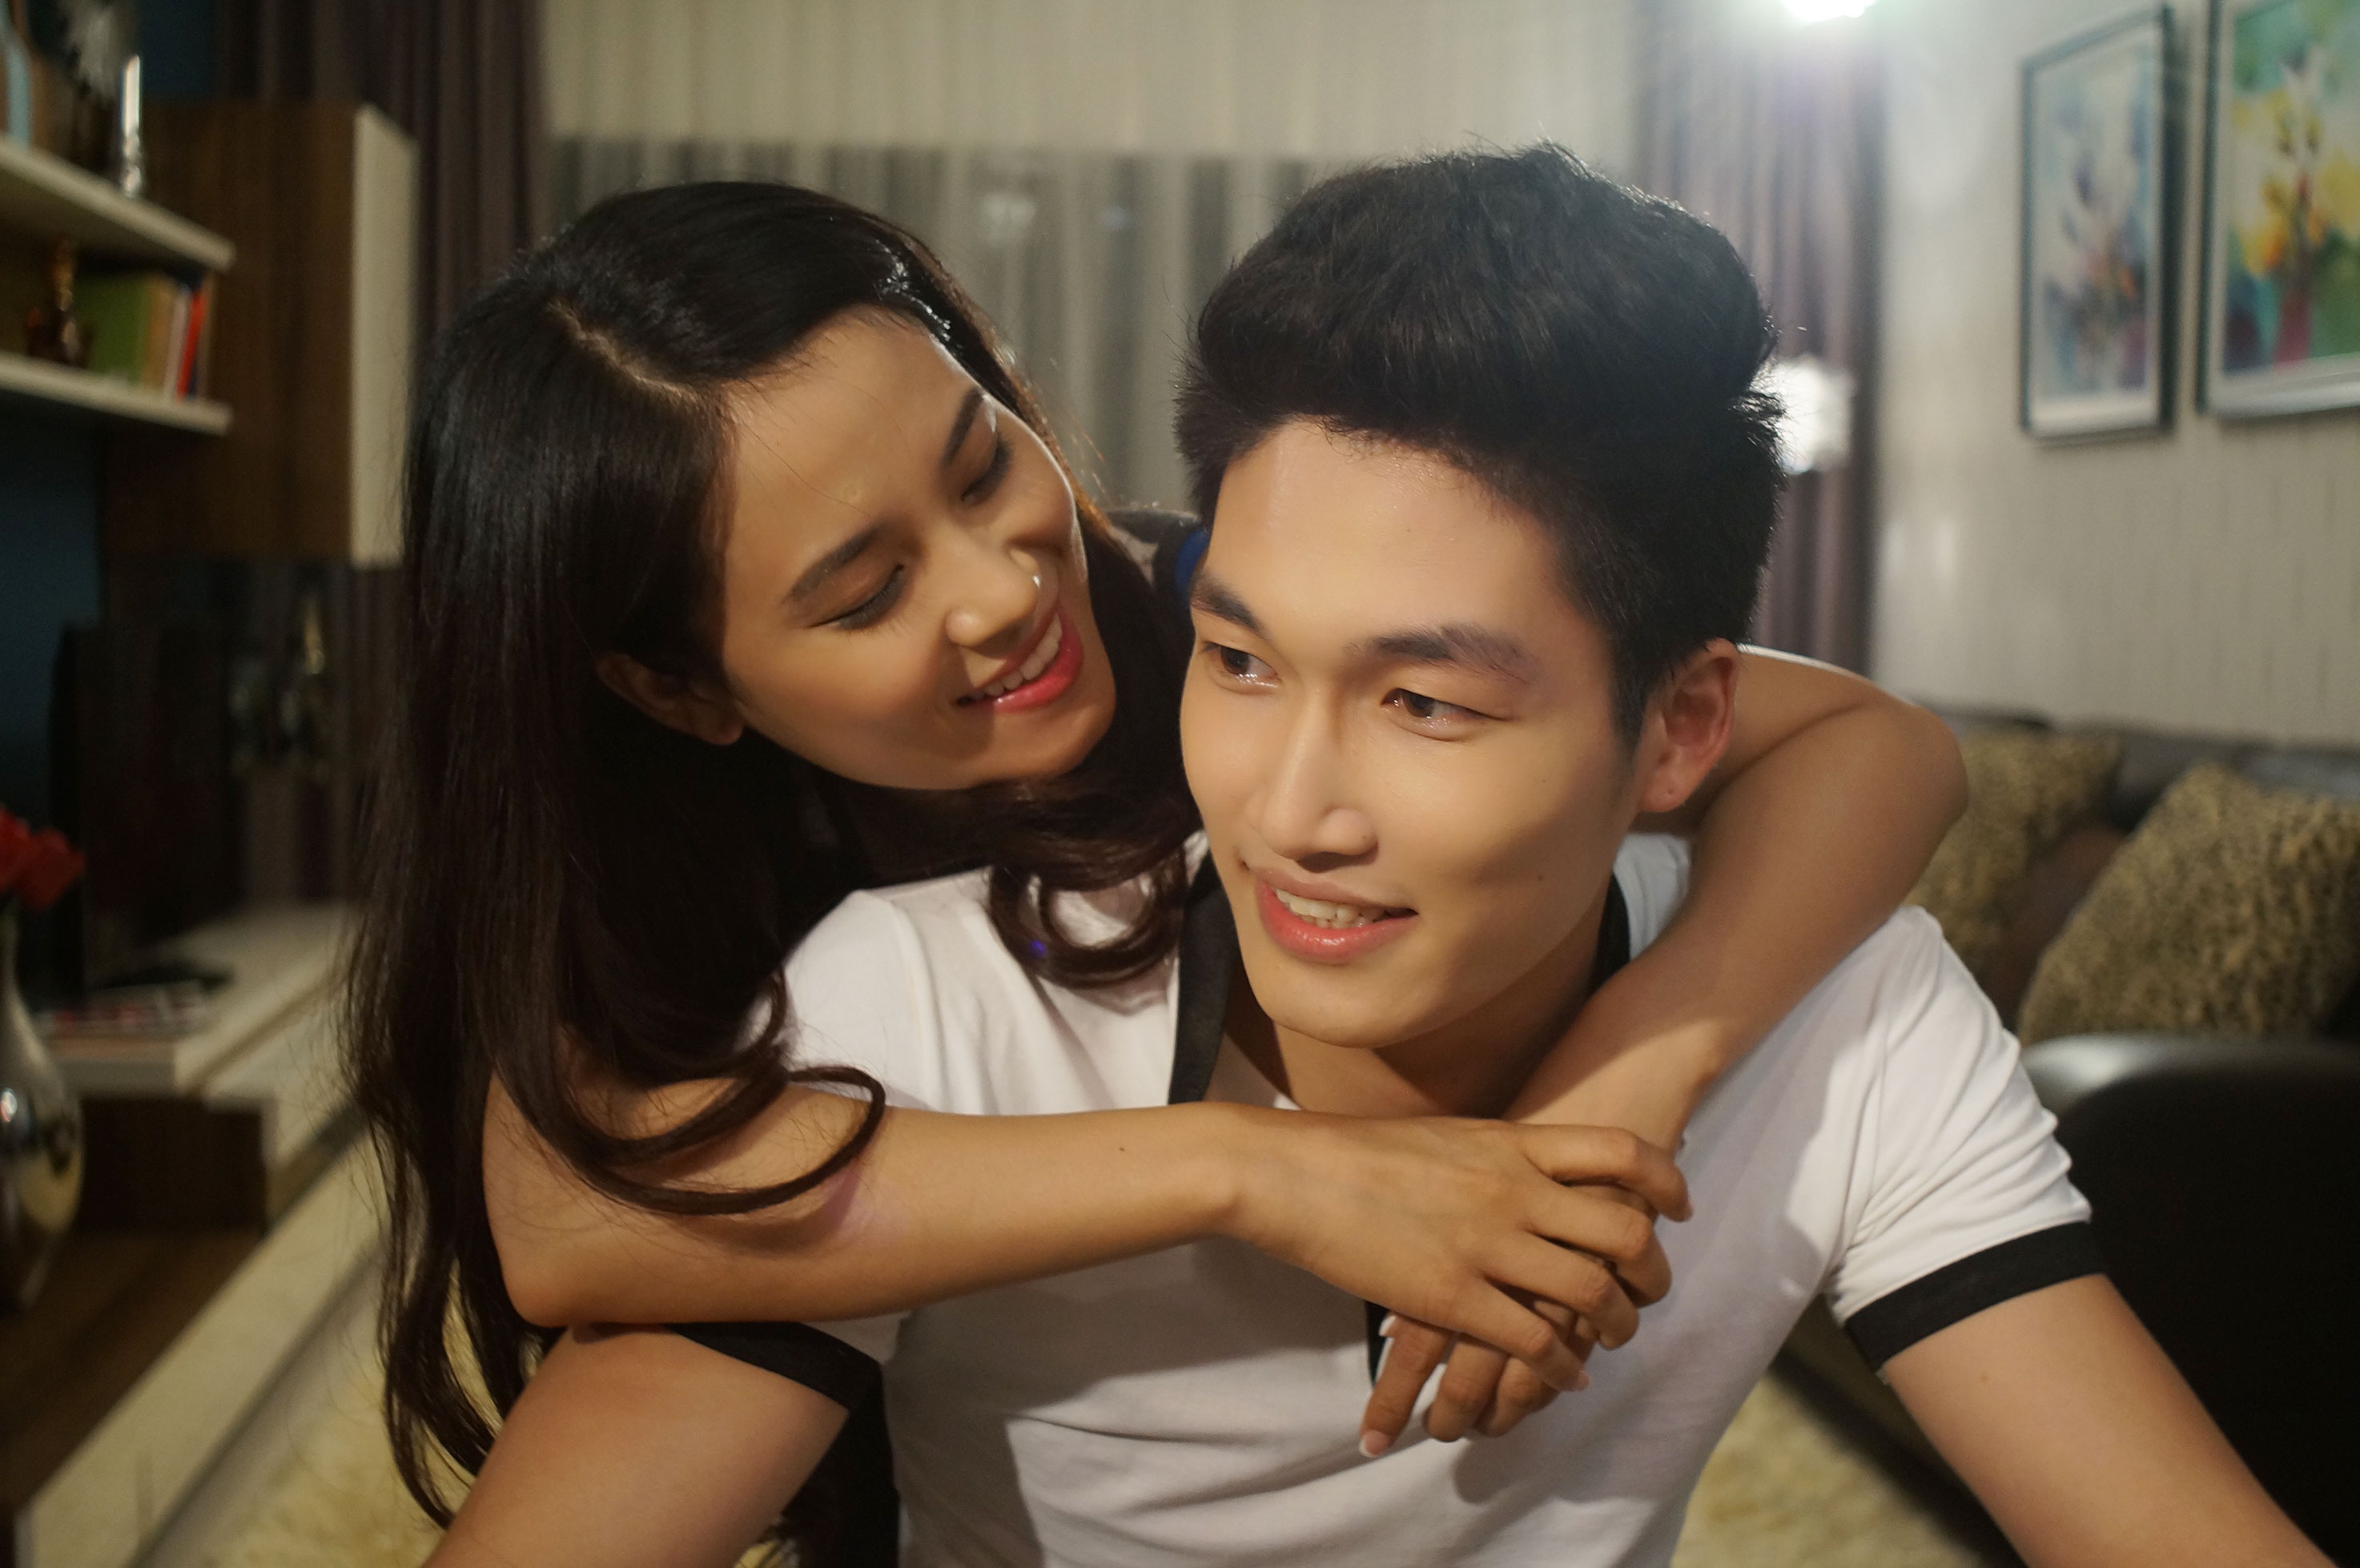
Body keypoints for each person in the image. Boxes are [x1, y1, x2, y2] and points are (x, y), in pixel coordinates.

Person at [428, 147, 2326, 1568]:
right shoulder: (867, 974)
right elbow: (572, 1220)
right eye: (861, 592)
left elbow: (1881, 748)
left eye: (984, 458)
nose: (1005, 587)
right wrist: (1261, 1171)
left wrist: (1608, 1099)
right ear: (675, 688)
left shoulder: (1191, 584)